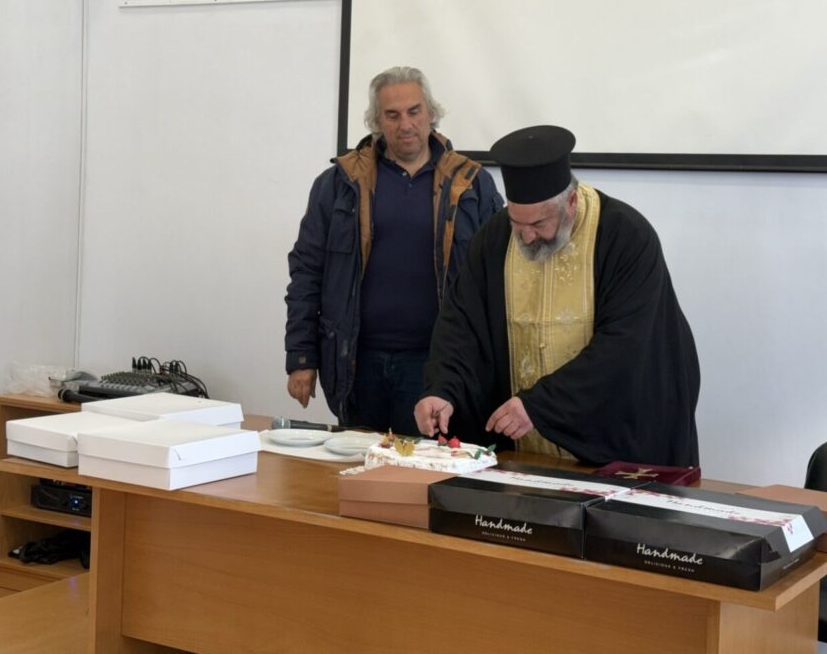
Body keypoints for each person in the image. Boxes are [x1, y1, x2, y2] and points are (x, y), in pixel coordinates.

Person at [414, 125, 699, 466]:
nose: (527, 237)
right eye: (517, 224)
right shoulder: (495, 238)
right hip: (523, 454)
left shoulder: (625, 237)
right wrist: (443, 389)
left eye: (538, 224)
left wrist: (539, 406)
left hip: (609, 451)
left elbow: (625, 347)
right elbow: (461, 327)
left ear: (571, 202)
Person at [285, 67, 503, 434]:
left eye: (414, 111)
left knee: (423, 466)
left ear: (431, 113)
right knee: (361, 464)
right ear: (377, 121)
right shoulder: (339, 184)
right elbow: (307, 271)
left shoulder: (472, 184)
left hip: (436, 365)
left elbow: (497, 279)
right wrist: (301, 357)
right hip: (356, 364)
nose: (406, 124)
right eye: (392, 115)